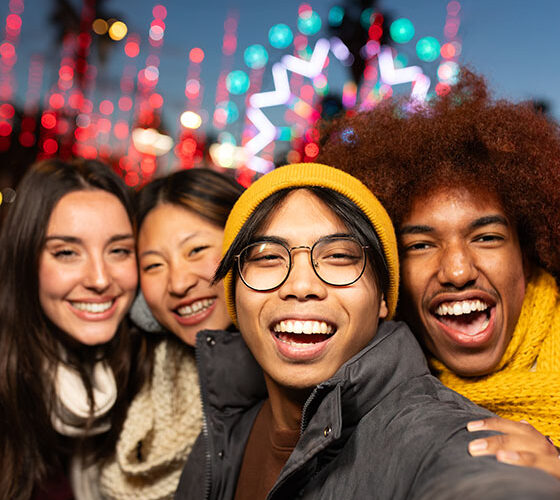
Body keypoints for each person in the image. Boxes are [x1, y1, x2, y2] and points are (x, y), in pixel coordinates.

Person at [175, 162, 560, 500]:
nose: (302, 284)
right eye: (268, 257)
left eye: (339, 256)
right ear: (234, 298)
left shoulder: (434, 430)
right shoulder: (222, 427)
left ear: (382, 298)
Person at [317, 69, 560, 478]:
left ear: (527, 251)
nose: (457, 270)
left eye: (485, 237)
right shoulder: (362, 403)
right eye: (421, 245)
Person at [0, 158, 141, 500]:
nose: (100, 279)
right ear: (25, 260)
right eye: (66, 252)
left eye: (119, 250)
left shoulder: (145, 376)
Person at [99, 168, 244, 499]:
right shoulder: (123, 372)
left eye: (196, 250)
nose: (178, 283)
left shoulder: (295, 383)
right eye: (153, 266)